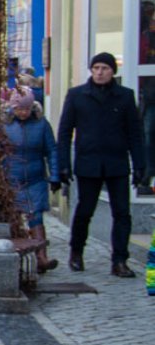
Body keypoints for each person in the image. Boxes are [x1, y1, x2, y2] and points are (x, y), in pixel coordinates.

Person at [58, 52, 145, 276]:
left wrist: (140, 165)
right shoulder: (77, 95)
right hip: (88, 162)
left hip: (117, 163)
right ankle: (76, 251)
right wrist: (63, 164)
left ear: (112, 71)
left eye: (104, 68)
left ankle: (120, 260)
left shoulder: (125, 96)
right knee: (84, 211)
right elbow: (65, 132)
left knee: (122, 213)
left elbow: (135, 133)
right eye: (96, 68)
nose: (99, 72)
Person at [4, 86, 59, 273]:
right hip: (11, 179)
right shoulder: (5, 125)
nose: (23, 113)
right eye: (19, 109)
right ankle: (14, 259)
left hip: (35, 179)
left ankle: (41, 257)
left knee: (36, 216)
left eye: (26, 109)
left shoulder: (41, 124)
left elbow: (52, 150)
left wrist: (55, 175)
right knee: (13, 219)